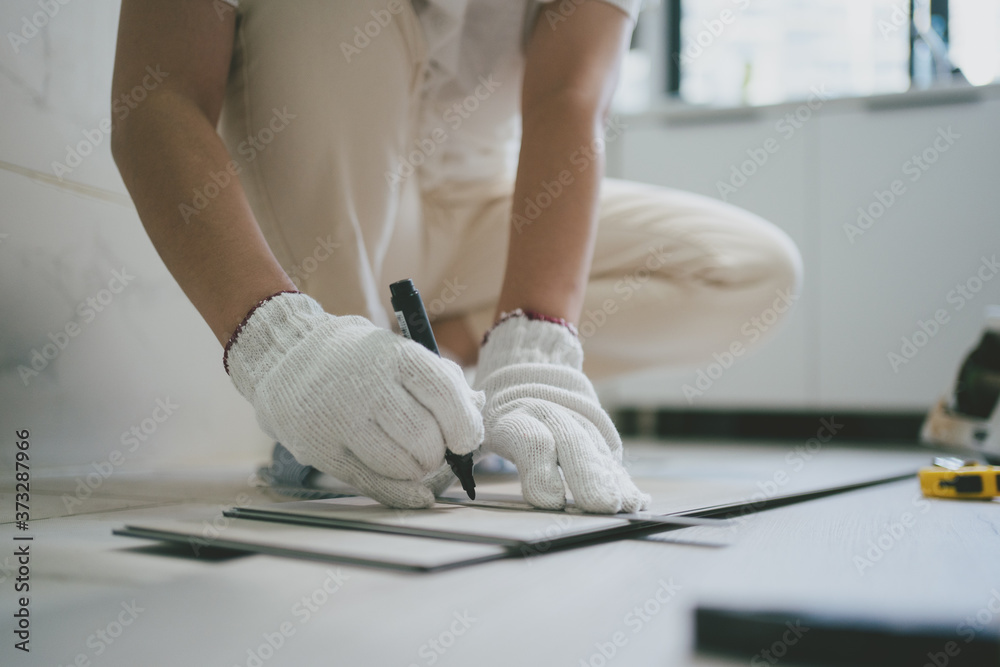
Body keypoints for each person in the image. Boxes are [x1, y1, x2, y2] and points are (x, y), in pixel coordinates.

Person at [110, 0, 802, 513]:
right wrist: (277, 343)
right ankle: (347, 362)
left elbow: (570, 97)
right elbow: (156, 97)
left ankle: (447, 372)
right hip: (326, 200)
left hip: (475, 200)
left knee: (754, 269)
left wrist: (533, 347)